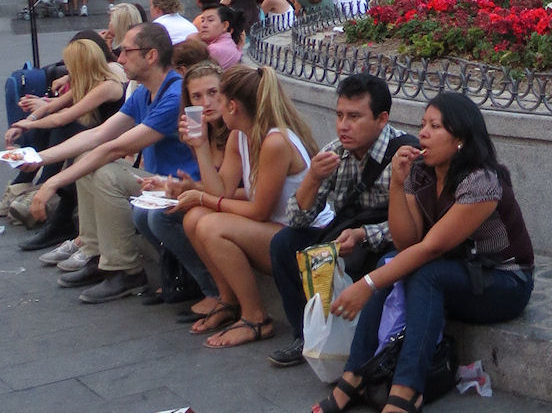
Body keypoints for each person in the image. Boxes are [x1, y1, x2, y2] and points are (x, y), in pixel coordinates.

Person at [313, 92, 534, 413]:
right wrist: (397, 185)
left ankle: (405, 391)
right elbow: (407, 241)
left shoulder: (482, 181)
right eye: (423, 124)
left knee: (423, 274)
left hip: (505, 281)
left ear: (460, 138)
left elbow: (432, 247)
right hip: (457, 272)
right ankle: (354, 376)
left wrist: (367, 285)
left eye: (435, 126)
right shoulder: (421, 171)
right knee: (392, 261)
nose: (424, 133)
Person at [27, 23, 200, 303]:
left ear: (151, 55)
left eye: (126, 51)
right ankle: (97, 255)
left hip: (181, 186)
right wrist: (39, 158)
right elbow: (98, 134)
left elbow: (115, 148)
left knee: (105, 172)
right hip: (155, 182)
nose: (119, 58)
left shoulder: (174, 95)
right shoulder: (145, 91)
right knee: (87, 160)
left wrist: (52, 182)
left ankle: (126, 271)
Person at [268, 74, 417, 368]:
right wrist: (312, 178)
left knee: (388, 263)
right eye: (339, 115)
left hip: (390, 240)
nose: (343, 125)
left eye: (354, 117)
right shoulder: (334, 152)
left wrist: (364, 234)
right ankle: (305, 335)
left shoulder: (405, 155)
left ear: (381, 119)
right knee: (284, 243)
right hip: (347, 238)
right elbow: (297, 219)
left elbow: (417, 224)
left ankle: (371, 351)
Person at [179, 66, 333, 347]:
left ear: (233, 106)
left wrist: (203, 198)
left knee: (210, 224)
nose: (213, 106)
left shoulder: (275, 141)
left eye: (218, 98)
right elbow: (222, 191)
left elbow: (258, 211)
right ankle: (228, 301)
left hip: (305, 236)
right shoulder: (240, 135)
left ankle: (256, 318)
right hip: (275, 229)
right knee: (194, 218)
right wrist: (200, 146)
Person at [5, 38, 125, 248]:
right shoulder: (88, 81)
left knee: (65, 128)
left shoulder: (108, 85)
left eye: (70, 64)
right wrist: (27, 122)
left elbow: (63, 117)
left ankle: (60, 213)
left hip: (112, 139)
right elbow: (51, 108)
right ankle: (37, 184)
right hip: (100, 135)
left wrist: (28, 125)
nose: (67, 69)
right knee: (52, 126)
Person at [133, 60, 229, 317]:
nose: (206, 102)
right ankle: (185, 277)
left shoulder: (233, 131)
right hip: (220, 199)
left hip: (237, 205)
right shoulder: (205, 131)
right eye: (197, 96)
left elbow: (229, 191)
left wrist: (193, 190)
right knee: (142, 213)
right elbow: (215, 186)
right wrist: (176, 185)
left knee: (162, 217)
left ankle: (214, 290)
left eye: (212, 92)